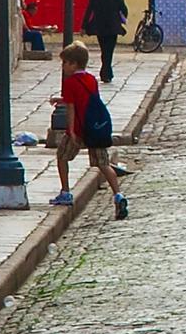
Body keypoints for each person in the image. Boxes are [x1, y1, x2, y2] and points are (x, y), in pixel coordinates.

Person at [49, 41, 127, 218]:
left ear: (73, 64)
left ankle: (66, 192)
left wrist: (71, 131)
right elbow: (84, 100)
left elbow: (72, 108)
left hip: (79, 128)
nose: (63, 67)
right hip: (95, 129)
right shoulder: (91, 79)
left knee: (62, 157)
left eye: (65, 63)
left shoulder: (70, 82)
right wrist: (61, 100)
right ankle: (118, 195)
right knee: (103, 164)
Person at [80, 0, 130, 83]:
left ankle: (105, 72)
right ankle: (106, 72)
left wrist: (83, 26)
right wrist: (121, 19)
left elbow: (88, 11)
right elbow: (124, 9)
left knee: (104, 49)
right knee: (109, 50)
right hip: (113, 27)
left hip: (99, 27)